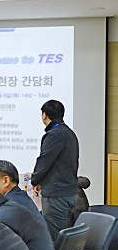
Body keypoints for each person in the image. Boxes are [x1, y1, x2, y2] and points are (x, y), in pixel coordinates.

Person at [31, 99, 79, 241]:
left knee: (54, 238)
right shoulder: (68, 133)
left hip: (57, 193)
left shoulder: (54, 134)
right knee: (63, 236)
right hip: (68, 191)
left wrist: (35, 180)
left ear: (45, 115)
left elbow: (45, 160)